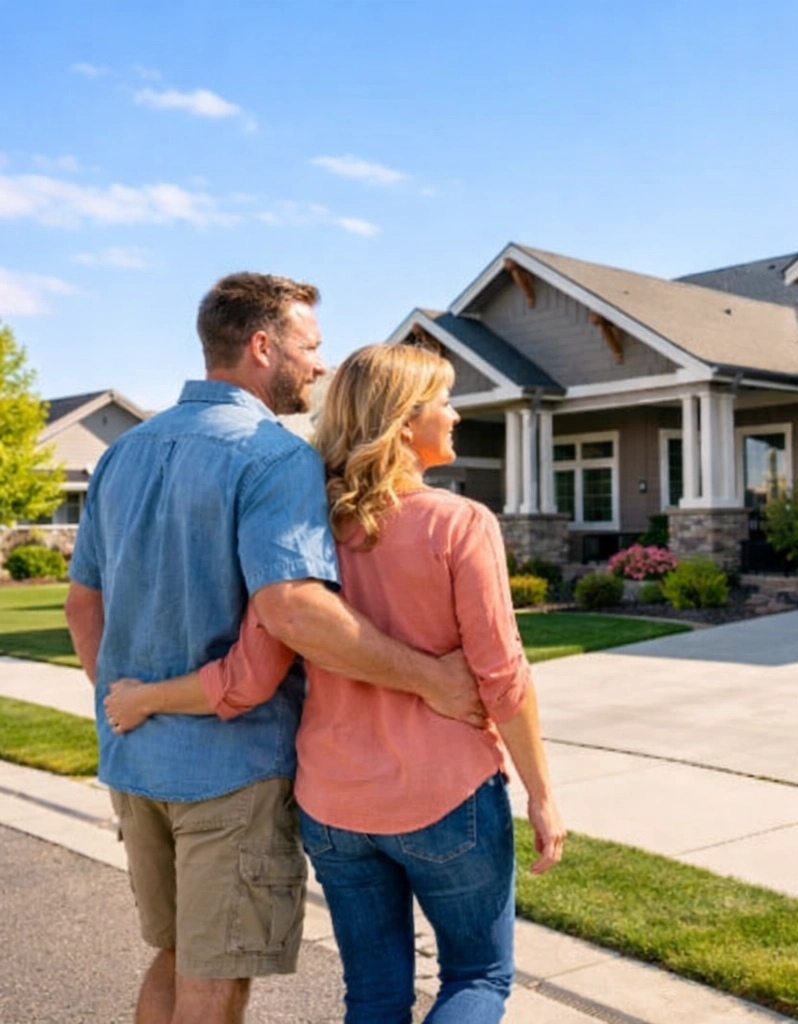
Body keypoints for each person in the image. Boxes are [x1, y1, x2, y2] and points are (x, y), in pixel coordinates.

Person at [64, 273, 482, 1024]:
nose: (319, 365)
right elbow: (294, 609)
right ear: (263, 346)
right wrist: (430, 679)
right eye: (309, 346)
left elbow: (82, 602)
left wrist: (120, 702)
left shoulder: (123, 453)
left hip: (135, 760)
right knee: (215, 977)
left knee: (174, 955)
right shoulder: (271, 456)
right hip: (231, 771)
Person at [105, 342, 566, 1023]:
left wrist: (144, 697)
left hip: (333, 808)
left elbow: (250, 673)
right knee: (477, 977)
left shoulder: (302, 529)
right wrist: (542, 795)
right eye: (444, 400)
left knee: (375, 995)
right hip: (446, 798)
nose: (456, 414)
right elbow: (503, 677)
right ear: (405, 421)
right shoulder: (460, 523)